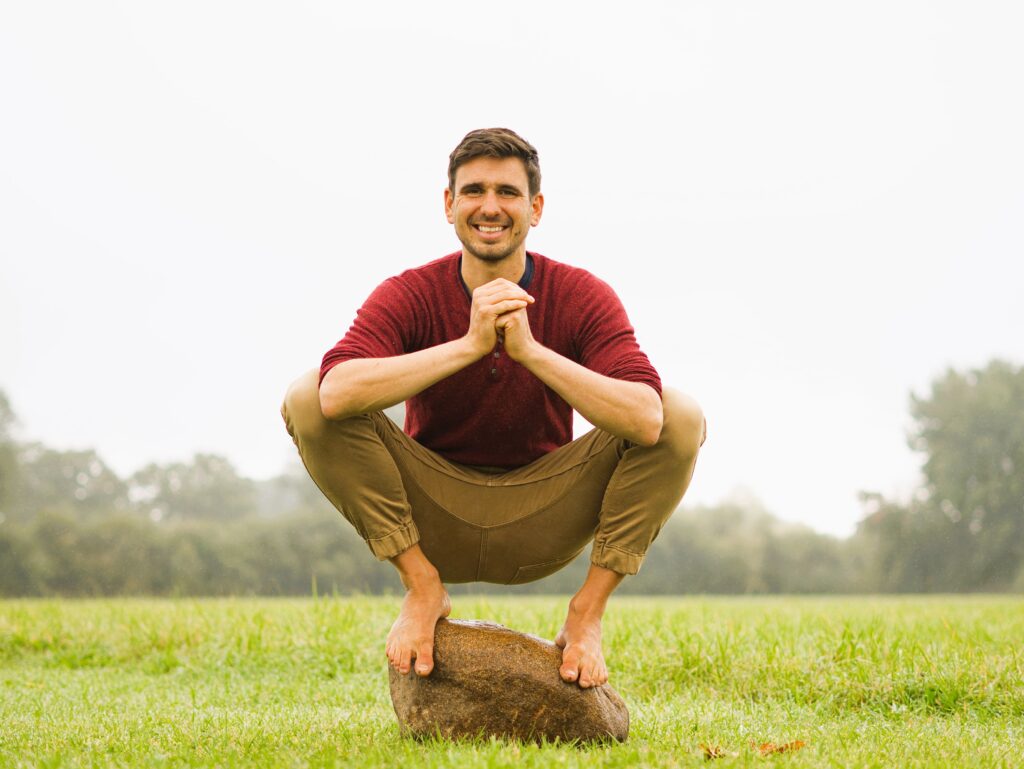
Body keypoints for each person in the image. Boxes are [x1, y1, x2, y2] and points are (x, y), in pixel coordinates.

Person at [282, 128, 706, 689]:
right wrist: (469, 345)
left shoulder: (581, 293)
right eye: (473, 190)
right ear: (448, 204)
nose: (490, 207)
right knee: (306, 394)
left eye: (507, 192)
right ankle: (423, 587)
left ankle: (586, 615)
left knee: (680, 413)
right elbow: (334, 394)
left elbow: (648, 419)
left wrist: (528, 351)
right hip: (432, 514)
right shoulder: (409, 292)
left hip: (544, 514)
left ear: (535, 207)